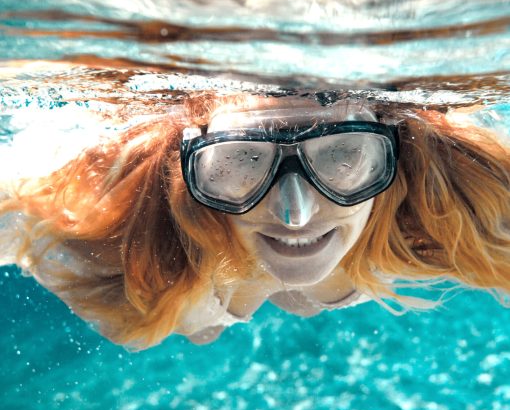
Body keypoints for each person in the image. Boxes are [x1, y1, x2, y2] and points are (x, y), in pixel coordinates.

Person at [0, 92, 509, 349]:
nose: (296, 214)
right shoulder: (109, 238)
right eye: (241, 162)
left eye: (342, 156)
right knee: (180, 322)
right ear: (186, 168)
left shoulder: (446, 191)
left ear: (393, 153)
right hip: (197, 283)